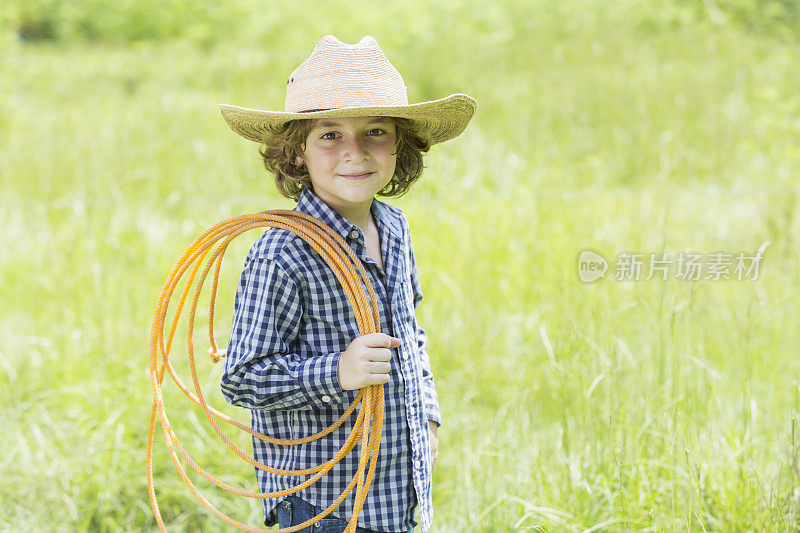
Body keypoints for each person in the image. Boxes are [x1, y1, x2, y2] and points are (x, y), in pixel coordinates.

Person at [218, 35, 476, 533]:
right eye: (330, 135)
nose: (354, 153)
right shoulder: (283, 252)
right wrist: (337, 369)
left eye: (375, 131)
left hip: (395, 486)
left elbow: (409, 332)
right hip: (322, 502)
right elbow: (242, 375)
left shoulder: (394, 228)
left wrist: (425, 415)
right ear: (296, 153)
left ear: (400, 144)